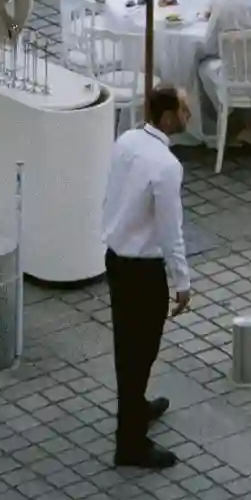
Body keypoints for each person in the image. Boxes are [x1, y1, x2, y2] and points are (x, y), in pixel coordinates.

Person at [99, 80, 193, 469]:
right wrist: (182, 282)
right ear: (169, 117)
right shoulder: (167, 166)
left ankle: (135, 408)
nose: (190, 115)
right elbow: (171, 230)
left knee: (129, 346)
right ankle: (130, 442)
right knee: (140, 353)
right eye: (185, 109)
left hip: (116, 258)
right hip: (143, 269)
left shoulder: (127, 141)